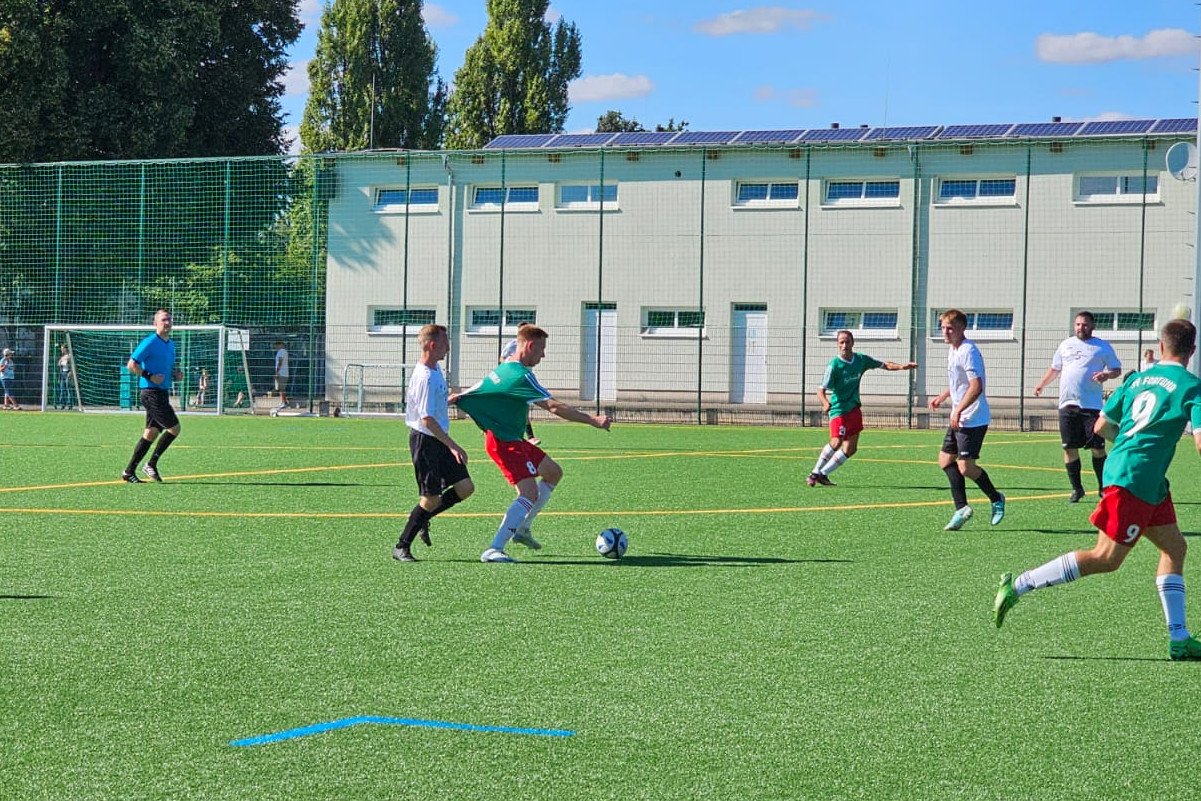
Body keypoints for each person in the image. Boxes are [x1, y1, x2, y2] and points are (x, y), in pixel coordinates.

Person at [995, 317, 1201, 661]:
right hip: (1134, 480)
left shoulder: (1137, 380)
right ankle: (1018, 585)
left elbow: (1102, 426)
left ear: (1161, 346)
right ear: (1192, 351)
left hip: (1144, 480)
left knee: (1175, 547)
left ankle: (1179, 638)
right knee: (1106, 558)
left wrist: (1131, 446)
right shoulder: (1192, 387)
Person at [453, 324, 612, 563]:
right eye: (541, 349)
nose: (543, 355)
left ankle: (523, 528)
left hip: (513, 438)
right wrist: (593, 420)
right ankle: (494, 548)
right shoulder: (521, 376)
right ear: (529, 346)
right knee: (529, 492)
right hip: (504, 441)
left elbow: (483, 389)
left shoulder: (506, 367)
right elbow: (555, 407)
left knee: (553, 472)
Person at [392, 324, 475, 563]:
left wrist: (449, 400)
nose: (448, 348)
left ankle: (422, 518)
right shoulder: (425, 377)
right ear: (432, 345)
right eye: (445, 343)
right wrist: (453, 445)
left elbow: (430, 407)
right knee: (430, 499)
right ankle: (401, 546)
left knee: (465, 488)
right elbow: (426, 419)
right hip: (426, 441)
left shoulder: (435, 369)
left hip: (437, 438)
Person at [1032, 311, 1123, 503]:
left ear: (1093, 326)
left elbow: (1116, 370)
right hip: (1067, 405)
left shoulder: (1102, 347)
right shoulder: (1066, 345)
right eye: (1078, 324)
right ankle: (1077, 489)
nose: (1081, 327)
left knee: (1097, 449)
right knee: (1069, 448)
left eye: (1085, 324)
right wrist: (1042, 384)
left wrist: (1106, 375)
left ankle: (1103, 488)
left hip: (1091, 407)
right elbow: (1055, 368)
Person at [807, 329, 917, 486]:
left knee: (851, 448)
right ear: (838, 345)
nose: (844, 345)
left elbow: (884, 365)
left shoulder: (860, 360)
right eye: (841, 342)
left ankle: (823, 474)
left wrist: (902, 367)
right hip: (838, 409)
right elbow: (820, 390)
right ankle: (814, 472)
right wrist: (825, 403)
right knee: (836, 442)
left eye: (847, 342)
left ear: (853, 343)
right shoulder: (834, 365)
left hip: (854, 409)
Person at [929, 309, 1005, 530]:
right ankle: (961, 508)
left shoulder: (968, 351)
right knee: (945, 460)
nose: (945, 332)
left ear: (962, 328)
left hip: (973, 418)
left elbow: (976, 386)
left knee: (966, 468)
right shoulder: (953, 350)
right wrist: (943, 396)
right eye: (943, 328)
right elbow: (959, 382)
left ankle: (996, 498)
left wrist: (959, 410)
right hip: (959, 417)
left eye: (950, 328)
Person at [121, 310, 183, 482]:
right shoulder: (149, 342)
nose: (168, 322)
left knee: (151, 433)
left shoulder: (170, 344)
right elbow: (131, 364)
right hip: (151, 393)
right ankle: (151, 464)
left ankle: (128, 472)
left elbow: (166, 368)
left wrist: (176, 375)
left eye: (170, 319)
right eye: (164, 320)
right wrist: (149, 376)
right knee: (175, 428)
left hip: (162, 392)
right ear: (155, 323)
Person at [500, 332, 540, 445]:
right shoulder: (512, 345)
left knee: (523, 408)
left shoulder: (532, 346)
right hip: (512, 380)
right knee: (511, 409)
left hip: (524, 380)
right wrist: (511, 367)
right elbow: (502, 358)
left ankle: (530, 437)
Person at [56, 344, 74, 409]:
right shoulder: (62, 357)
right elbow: (59, 365)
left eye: (63, 349)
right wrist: (60, 362)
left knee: (68, 389)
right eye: (61, 349)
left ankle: (69, 404)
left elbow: (72, 365)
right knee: (62, 389)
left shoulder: (70, 356)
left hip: (67, 373)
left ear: (66, 349)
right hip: (62, 373)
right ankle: (62, 404)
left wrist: (70, 372)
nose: (62, 350)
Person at [273, 341, 289, 410]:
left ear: (281, 345)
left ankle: (283, 402)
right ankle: (283, 402)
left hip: (281, 373)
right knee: (281, 388)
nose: (276, 346)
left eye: (277, 345)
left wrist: (277, 372)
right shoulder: (283, 352)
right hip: (283, 373)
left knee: (281, 389)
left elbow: (280, 362)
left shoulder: (281, 351)